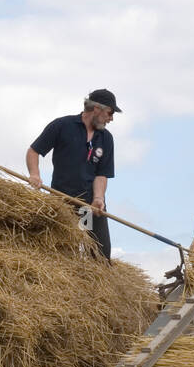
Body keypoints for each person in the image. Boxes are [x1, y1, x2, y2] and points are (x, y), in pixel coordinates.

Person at [26, 87, 122, 259]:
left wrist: (98, 198)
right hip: (62, 203)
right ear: (96, 108)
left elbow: (102, 174)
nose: (111, 118)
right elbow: (34, 151)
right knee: (64, 253)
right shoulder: (62, 126)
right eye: (110, 112)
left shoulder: (106, 138)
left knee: (98, 254)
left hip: (88, 207)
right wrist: (35, 175)